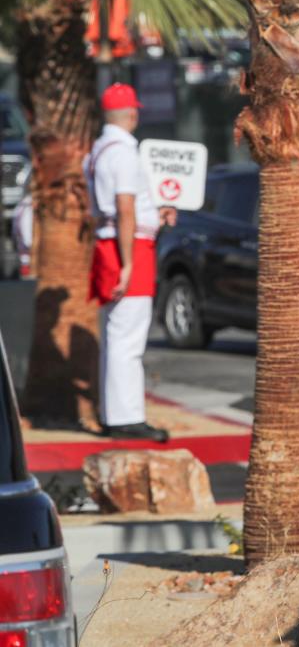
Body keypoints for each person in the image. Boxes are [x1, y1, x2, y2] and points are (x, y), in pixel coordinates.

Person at [85, 83, 176, 442]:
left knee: (117, 333)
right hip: (129, 246)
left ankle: (116, 413)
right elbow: (125, 208)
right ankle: (126, 417)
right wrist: (127, 264)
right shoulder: (122, 153)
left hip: (113, 242)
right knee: (128, 336)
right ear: (132, 113)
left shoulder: (98, 150)